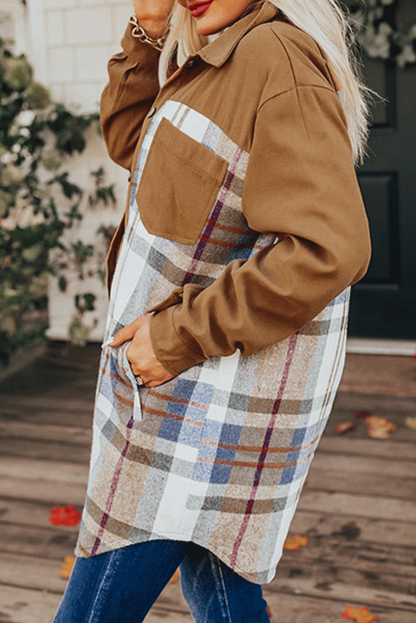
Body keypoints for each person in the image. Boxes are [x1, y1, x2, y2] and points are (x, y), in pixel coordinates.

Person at [53, 1, 371, 621]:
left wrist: (177, 335)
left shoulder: (272, 57)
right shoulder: (210, 50)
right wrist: (147, 32)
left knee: (92, 609)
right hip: (187, 386)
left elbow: (330, 248)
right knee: (219, 589)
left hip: (203, 398)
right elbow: (132, 146)